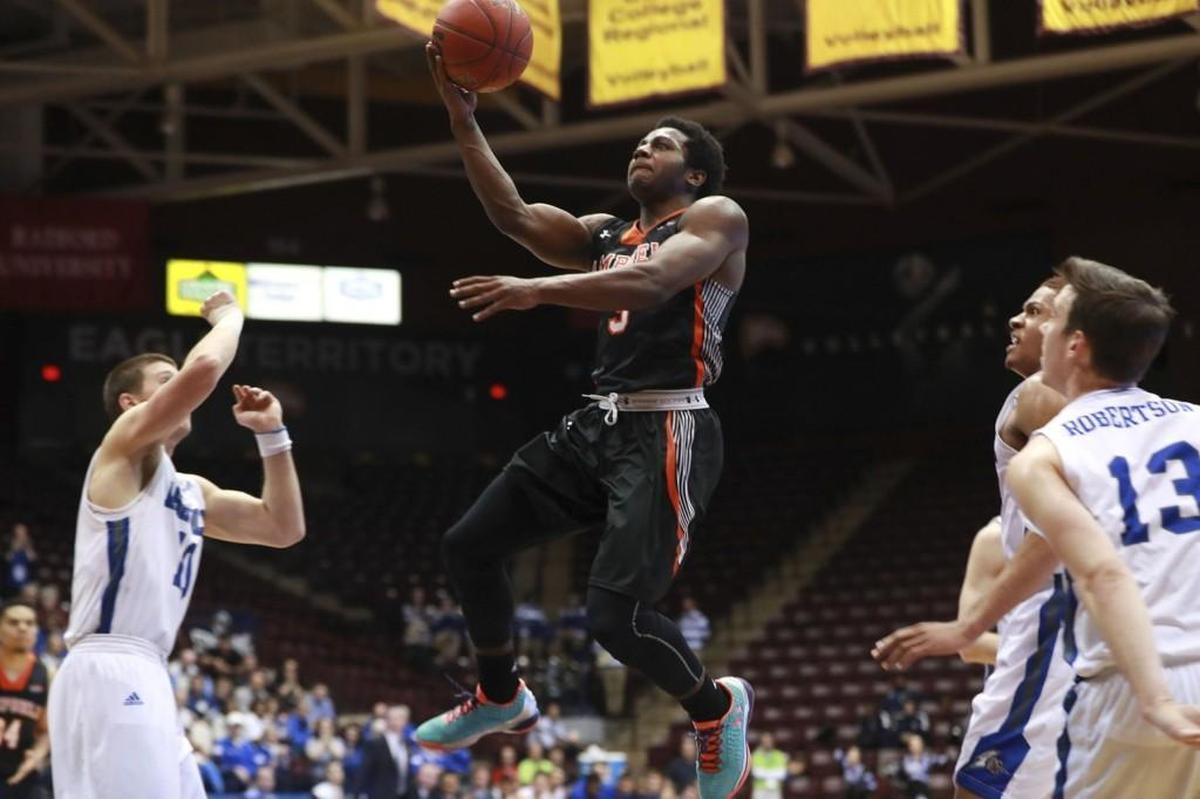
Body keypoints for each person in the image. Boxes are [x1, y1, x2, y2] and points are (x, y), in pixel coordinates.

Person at [417, 44, 753, 799]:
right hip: (597, 424)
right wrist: (462, 119)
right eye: (640, 142)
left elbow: (659, 278)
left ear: (693, 173)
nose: (643, 147)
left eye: (661, 143)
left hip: (670, 425)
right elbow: (511, 214)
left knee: (613, 617)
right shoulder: (604, 232)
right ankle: (502, 694)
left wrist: (537, 292)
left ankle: (716, 706)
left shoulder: (715, 219)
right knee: (469, 545)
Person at [47, 290, 306, 799]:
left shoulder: (192, 490)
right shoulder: (123, 447)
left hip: (148, 669)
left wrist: (273, 435)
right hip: (108, 662)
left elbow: (283, 528)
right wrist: (229, 317)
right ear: (132, 403)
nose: (182, 389)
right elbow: (206, 368)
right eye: (167, 382)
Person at [873, 277, 1075, 798]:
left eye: (1034, 311)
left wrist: (965, 631)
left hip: (1056, 635)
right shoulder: (1154, 414)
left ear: (1075, 335)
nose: (1015, 320)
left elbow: (1062, 530)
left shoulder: (1041, 395)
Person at [0, 600, 50, 798]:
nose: (22, 628)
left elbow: (45, 731)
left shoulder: (48, 673)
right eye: (13, 622)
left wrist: (38, 754)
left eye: (30, 623)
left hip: (23, 773)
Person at [360, 704, 412, 799]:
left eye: (400, 718)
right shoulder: (375, 743)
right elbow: (364, 771)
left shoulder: (407, 744)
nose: (396, 721)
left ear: (406, 721)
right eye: (392, 718)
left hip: (403, 795)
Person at [749, 732, 787, 799]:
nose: (767, 743)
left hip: (775, 789)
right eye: (765, 741)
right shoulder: (755, 755)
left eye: (769, 741)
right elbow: (756, 773)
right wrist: (773, 773)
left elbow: (781, 774)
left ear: (773, 742)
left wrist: (764, 772)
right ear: (761, 742)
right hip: (759, 789)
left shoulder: (780, 755)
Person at [4, 525, 36, 600]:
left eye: (22, 533)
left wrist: (27, 545)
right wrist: (14, 548)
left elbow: (32, 559)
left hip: (26, 584)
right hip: (10, 584)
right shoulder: (9, 544)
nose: (20, 536)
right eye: (18, 533)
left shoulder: (29, 546)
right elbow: (7, 559)